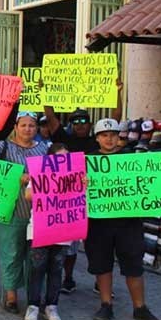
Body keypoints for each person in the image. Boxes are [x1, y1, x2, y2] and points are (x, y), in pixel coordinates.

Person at [85, 119, 161, 320]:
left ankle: (140, 308)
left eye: (113, 135)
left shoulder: (132, 158)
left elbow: (153, 182)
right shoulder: (87, 161)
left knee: (133, 265)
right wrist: (81, 182)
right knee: (102, 264)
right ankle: (106, 305)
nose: (109, 139)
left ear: (119, 137)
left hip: (128, 223)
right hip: (98, 223)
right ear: (97, 138)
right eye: (104, 135)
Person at [44, 83, 122, 294]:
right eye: (75, 122)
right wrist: (45, 93)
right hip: (71, 198)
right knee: (70, 244)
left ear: (90, 125)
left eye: (83, 121)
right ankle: (68, 278)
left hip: (96, 198)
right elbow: (50, 118)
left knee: (99, 244)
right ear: (71, 125)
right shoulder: (64, 139)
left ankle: (101, 282)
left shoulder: (97, 143)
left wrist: (117, 93)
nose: (79, 125)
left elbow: (115, 119)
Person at [0, 112, 48, 314]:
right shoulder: (3, 146)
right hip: (10, 210)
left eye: (32, 125)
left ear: (36, 129)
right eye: (23, 125)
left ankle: (35, 297)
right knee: (11, 253)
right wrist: (16, 174)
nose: (27, 129)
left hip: (37, 213)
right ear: (16, 127)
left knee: (35, 257)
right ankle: (11, 295)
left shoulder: (44, 149)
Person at [22, 143, 72, 320]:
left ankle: (51, 306)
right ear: (50, 159)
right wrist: (51, 184)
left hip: (63, 230)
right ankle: (33, 306)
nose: (63, 160)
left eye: (66, 157)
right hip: (40, 229)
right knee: (37, 268)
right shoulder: (40, 173)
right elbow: (28, 195)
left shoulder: (75, 176)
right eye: (59, 157)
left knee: (56, 269)